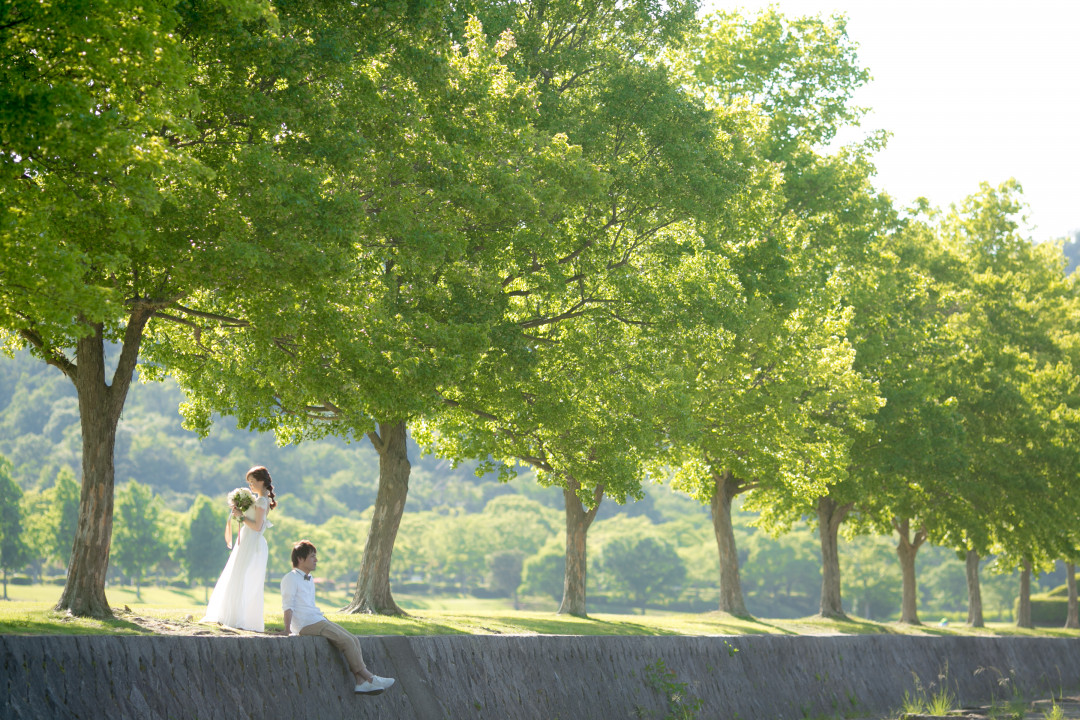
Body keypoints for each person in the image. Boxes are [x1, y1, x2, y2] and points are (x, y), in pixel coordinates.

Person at [280, 540, 395, 695]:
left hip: (316, 618)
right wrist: (287, 630)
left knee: (353, 639)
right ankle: (370, 678)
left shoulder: (310, 578)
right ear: (300, 559)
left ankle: (360, 682)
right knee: (346, 641)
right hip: (305, 623)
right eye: (312, 556)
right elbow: (288, 605)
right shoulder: (290, 578)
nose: (316, 560)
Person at [201, 466, 277, 632]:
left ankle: (238, 616)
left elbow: (257, 526)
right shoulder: (260, 500)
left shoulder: (262, 501)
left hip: (252, 542)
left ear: (261, 481)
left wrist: (241, 517)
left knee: (243, 577)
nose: (250, 486)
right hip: (247, 540)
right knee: (238, 575)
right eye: (249, 483)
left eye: (252, 482)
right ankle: (233, 614)